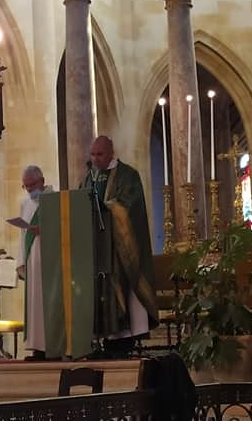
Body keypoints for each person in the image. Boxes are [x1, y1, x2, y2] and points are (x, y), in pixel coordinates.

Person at [80, 136, 158, 358]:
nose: (95, 159)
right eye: (93, 154)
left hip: (121, 250)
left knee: (123, 288)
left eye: (100, 154)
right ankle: (104, 337)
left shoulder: (128, 175)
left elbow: (131, 206)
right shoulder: (89, 179)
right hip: (99, 250)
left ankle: (125, 339)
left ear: (111, 152)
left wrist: (109, 208)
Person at [14, 165, 54, 361]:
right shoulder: (25, 204)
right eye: (26, 186)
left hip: (49, 260)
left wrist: (44, 230)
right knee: (34, 305)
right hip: (32, 260)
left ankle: (53, 348)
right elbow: (23, 235)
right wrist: (21, 263)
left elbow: (63, 229)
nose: (29, 189)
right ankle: (37, 348)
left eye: (32, 185)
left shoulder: (54, 200)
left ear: (42, 181)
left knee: (48, 304)